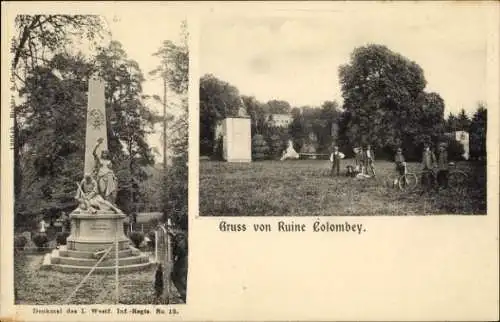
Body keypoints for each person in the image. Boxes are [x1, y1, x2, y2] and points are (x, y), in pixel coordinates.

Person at [93, 138, 118, 204]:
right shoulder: (99, 160)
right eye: (103, 153)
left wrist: (114, 176)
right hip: (101, 176)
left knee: (109, 191)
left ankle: (107, 203)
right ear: (102, 154)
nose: (105, 154)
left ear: (107, 154)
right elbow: (94, 153)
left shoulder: (109, 161)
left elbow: (111, 170)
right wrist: (97, 145)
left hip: (109, 176)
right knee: (102, 189)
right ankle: (104, 202)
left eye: (106, 153)